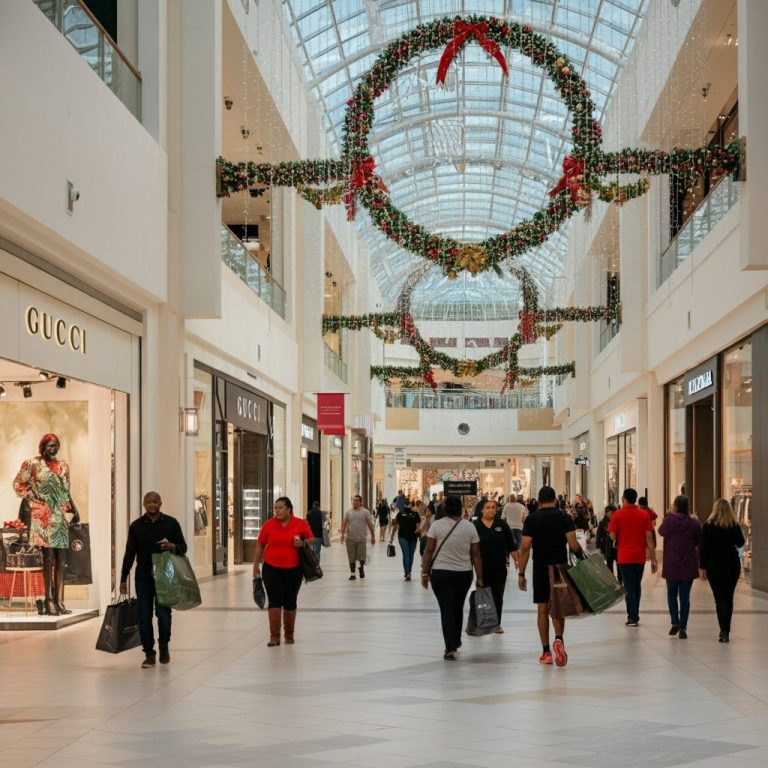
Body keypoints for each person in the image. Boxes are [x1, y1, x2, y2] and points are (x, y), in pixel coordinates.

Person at [13, 433, 80, 616]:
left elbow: (66, 491)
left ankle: (59, 600)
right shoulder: (33, 464)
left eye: (55, 445)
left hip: (59, 516)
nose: (53, 449)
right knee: (48, 559)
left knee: (62, 560)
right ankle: (48, 600)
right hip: (42, 517)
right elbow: (19, 484)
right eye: (50, 446)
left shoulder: (63, 465)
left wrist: (74, 509)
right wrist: (33, 498)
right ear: (43, 446)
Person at [120, 491, 187, 668]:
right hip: (143, 578)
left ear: (160, 503)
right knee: (144, 617)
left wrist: (172, 546)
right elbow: (129, 553)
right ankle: (149, 653)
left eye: (155, 501)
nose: (152, 504)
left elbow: (183, 547)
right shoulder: (136, 526)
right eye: (148, 502)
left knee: (164, 614)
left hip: (166, 576)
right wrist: (123, 578)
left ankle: (164, 644)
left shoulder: (171, 524)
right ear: (143, 504)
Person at [517, 486, 583, 666]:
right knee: (558, 607)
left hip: (540, 568)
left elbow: (525, 548)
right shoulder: (564, 517)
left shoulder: (532, 519)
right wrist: (580, 554)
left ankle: (546, 652)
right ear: (555, 499)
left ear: (538, 501)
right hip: (559, 568)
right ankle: (559, 639)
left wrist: (521, 573)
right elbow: (573, 543)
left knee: (542, 609)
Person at [421, 495, 483, 661]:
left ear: (445, 509)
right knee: (457, 607)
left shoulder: (436, 526)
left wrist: (424, 572)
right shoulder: (470, 527)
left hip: (441, 574)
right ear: (461, 509)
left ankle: (450, 646)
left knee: (446, 608)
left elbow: (428, 550)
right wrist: (480, 577)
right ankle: (455, 640)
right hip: (463, 573)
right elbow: (476, 554)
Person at [253, 497, 313, 647]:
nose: (277, 511)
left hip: (294, 569)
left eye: (280, 508)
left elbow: (311, 539)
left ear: (289, 509)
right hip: (271, 569)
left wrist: (302, 542)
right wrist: (255, 566)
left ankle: (289, 635)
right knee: (274, 600)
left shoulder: (300, 523)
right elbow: (260, 545)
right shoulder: (269, 525)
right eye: (275, 508)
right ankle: (274, 636)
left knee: (290, 601)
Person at [608, 488, 658, 627]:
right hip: (639, 556)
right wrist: (653, 558)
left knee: (628, 586)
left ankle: (632, 616)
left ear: (624, 498)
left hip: (624, 556)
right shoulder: (643, 515)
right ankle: (635, 613)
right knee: (636, 585)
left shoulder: (617, 515)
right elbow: (649, 536)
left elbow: (612, 535)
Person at [700, 498, 745, 643]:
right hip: (732, 565)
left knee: (719, 598)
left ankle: (723, 631)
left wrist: (702, 567)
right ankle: (727, 629)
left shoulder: (708, 526)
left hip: (714, 566)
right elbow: (741, 542)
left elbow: (704, 548)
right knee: (729, 597)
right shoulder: (733, 525)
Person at [658, 495, 701, 639]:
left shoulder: (669, 520)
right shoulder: (694, 523)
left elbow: (661, 532)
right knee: (685, 597)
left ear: (675, 505)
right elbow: (698, 540)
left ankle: (675, 622)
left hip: (672, 562)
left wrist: (669, 515)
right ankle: (683, 627)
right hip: (688, 563)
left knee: (671, 594)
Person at [474, 498, 517, 632]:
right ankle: (482, 622)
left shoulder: (502, 525)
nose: (491, 510)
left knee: (498, 596)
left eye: (493, 507)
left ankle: (496, 623)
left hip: (499, 567)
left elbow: (511, 545)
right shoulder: (476, 525)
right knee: (484, 595)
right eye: (488, 507)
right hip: (482, 568)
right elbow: (471, 548)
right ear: (481, 510)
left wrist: (518, 562)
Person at [340, 495, 376, 580]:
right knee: (351, 556)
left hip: (361, 538)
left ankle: (361, 568)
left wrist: (373, 536)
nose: (354, 502)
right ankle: (353, 574)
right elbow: (344, 523)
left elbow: (370, 524)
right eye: (353, 500)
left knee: (362, 556)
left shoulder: (365, 512)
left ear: (360, 502)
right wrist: (342, 534)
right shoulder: (348, 512)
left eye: (357, 501)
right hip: (350, 539)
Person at [390, 501, 421, 580]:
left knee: (409, 554)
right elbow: (396, 526)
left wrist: (392, 537)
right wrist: (392, 537)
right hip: (405, 537)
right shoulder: (403, 514)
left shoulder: (413, 514)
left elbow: (418, 527)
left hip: (409, 537)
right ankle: (407, 572)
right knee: (408, 554)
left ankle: (408, 571)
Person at [595, 506, 620, 581]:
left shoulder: (617, 521)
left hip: (617, 547)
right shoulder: (602, 522)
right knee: (609, 565)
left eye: (614, 512)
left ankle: (620, 581)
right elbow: (599, 534)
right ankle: (612, 581)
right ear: (607, 513)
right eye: (611, 512)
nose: (612, 514)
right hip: (607, 547)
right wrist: (598, 545)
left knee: (619, 565)